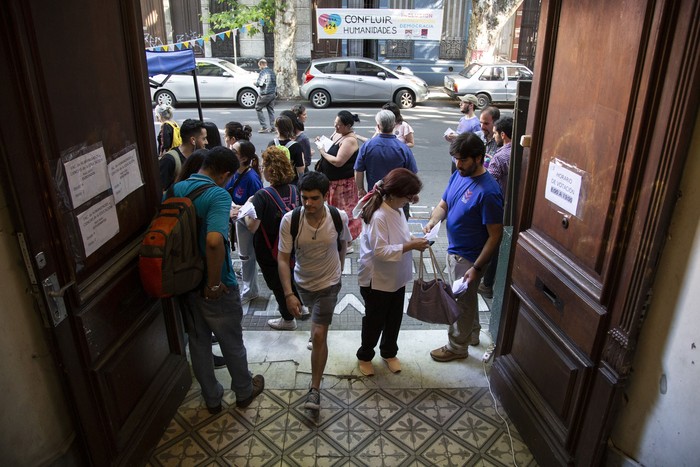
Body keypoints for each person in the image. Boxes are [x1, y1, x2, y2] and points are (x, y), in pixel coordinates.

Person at [172, 146, 264, 413]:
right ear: (224, 174)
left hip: (185, 279)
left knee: (199, 342)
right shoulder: (217, 195)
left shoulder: (177, 189)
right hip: (216, 283)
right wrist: (213, 284)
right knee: (231, 340)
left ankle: (212, 399)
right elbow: (214, 241)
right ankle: (244, 392)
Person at [423, 132, 503, 362]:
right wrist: (432, 221)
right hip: (455, 251)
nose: (458, 164)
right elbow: (444, 203)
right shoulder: (459, 175)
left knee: (461, 304)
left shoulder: (489, 192)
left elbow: (495, 236)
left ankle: (457, 347)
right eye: (456, 158)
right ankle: (473, 335)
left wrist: (476, 268)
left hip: (469, 258)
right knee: (466, 300)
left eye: (463, 159)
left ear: (478, 158)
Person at [277, 171, 351, 412]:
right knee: (315, 327)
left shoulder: (338, 217)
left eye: (314, 198)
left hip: (328, 284)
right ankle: (314, 332)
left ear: (325, 196)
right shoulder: (291, 220)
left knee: (319, 334)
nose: (308, 203)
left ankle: (315, 389)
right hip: (302, 283)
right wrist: (289, 294)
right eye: (304, 198)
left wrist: (338, 272)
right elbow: (283, 258)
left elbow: (343, 244)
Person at [355, 168, 429, 376]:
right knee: (374, 320)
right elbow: (381, 252)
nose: (411, 200)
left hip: (395, 277)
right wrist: (411, 245)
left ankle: (389, 351)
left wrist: (412, 241)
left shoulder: (396, 208)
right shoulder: (380, 215)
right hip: (376, 280)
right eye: (408, 196)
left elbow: (399, 236)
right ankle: (365, 355)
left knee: (394, 317)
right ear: (396, 193)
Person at [245, 147, 306, 330]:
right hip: (292, 246)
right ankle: (299, 306)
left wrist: (248, 207)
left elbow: (252, 226)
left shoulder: (261, 196)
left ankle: (288, 319)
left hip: (268, 249)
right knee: (290, 277)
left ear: (268, 169)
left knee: (277, 285)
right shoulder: (295, 190)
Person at [315, 110, 363, 249]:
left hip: (343, 185)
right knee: (332, 210)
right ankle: (335, 236)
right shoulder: (338, 134)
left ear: (348, 126)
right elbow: (331, 147)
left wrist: (323, 152)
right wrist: (322, 143)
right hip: (331, 181)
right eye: (335, 124)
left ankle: (346, 242)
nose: (336, 127)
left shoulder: (350, 140)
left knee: (344, 212)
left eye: (339, 125)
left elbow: (338, 161)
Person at [479, 116, 513, 300]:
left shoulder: (500, 157)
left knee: (493, 244)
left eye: (495, 133)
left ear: (503, 134)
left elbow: (489, 185)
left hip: (500, 209)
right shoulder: (524, 152)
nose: (494, 137)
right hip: (517, 208)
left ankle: (487, 284)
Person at [226, 140, 263, 304]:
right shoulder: (233, 172)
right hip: (236, 221)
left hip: (246, 224)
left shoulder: (252, 178)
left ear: (243, 158)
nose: (230, 151)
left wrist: (239, 208)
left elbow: (257, 206)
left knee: (247, 256)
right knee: (244, 256)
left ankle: (250, 291)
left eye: (234, 151)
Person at [159, 118, 207, 192]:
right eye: (204, 139)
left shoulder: (199, 158)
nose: (206, 142)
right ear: (193, 140)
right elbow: (161, 190)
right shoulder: (169, 160)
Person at [267, 115, 305, 184]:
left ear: (277, 128)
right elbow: (300, 170)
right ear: (291, 128)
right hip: (291, 183)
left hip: (276, 182)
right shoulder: (296, 146)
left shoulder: (271, 144)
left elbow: (267, 166)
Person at [255, 58, 277, 133]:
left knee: (258, 108)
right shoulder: (272, 72)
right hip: (272, 94)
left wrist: (256, 83)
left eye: (259, 66)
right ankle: (273, 127)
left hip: (265, 94)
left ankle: (264, 127)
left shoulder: (263, 72)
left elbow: (260, 83)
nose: (259, 68)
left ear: (261, 64)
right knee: (271, 110)